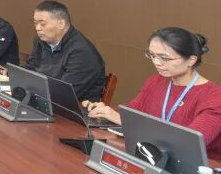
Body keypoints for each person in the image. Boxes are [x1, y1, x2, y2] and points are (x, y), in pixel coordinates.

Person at [85, 28, 221, 156]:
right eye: (152, 55)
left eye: (165, 58)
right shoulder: (156, 81)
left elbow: (189, 143)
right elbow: (132, 111)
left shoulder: (214, 97)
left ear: (191, 60)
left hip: (197, 167)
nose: (157, 62)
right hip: (152, 155)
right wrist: (104, 111)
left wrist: (123, 120)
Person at [25, 1, 106, 102]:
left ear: (61, 24)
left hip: (76, 107)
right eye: (35, 23)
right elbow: (30, 68)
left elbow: (65, 93)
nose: (37, 28)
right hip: (42, 98)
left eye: (42, 24)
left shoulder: (82, 53)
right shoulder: (40, 41)